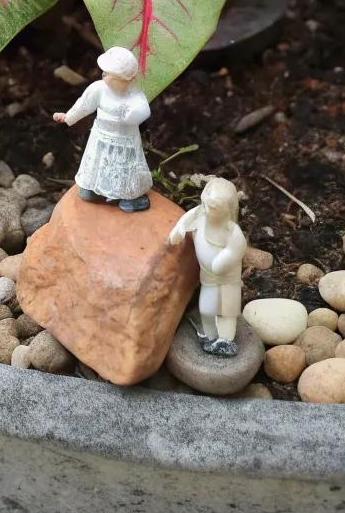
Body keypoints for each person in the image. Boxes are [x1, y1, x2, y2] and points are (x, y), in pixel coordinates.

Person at [54, 46, 153, 212]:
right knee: (97, 163)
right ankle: (92, 187)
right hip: (101, 137)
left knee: (124, 168)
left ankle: (131, 196)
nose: (103, 75)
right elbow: (83, 105)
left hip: (124, 140)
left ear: (128, 79)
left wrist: (130, 115)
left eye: (110, 74)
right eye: (104, 71)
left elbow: (143, 110)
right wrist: (69, 117)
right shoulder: (98, 89)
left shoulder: (134, 95)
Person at [168, 177, 246, 356]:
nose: (210, 210)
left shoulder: (232, 231)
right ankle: (210, 335)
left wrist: (222, 261)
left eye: (215, 207)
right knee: (206, 308)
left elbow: (236, 249)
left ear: (229, 208)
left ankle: (226, 339)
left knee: (227, 310)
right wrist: (178, 231)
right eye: (208, 205)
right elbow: (186, 219)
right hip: (208, 277)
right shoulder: (200, 215)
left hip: (227, 280)